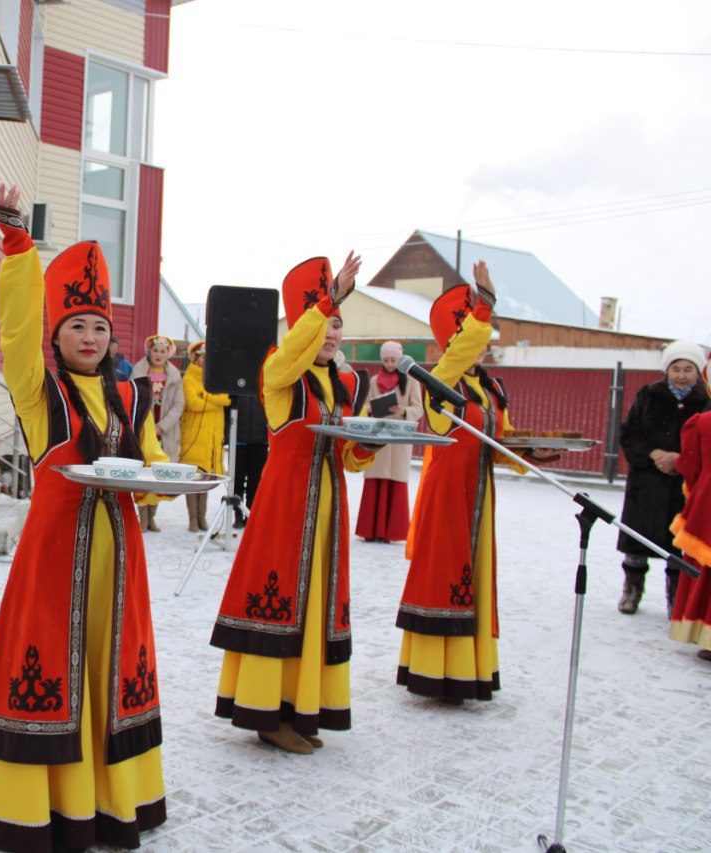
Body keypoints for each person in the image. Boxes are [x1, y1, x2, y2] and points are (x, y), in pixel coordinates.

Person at [0, 184, 168, 851]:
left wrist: (170, 479)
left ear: (112, 337)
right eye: (76, 325)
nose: (88, 335)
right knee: (54, 664)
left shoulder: (131, 395)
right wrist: (18, 243)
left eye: (99, 326)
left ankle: (112, 803)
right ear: (58, 334)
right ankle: (43, 808)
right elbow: (15, 330)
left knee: (112, 667)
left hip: (119, 556)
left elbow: (155, 461)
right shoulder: (38, 389)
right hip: (55, 555)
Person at [211, 253, 377, 755]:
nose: (330, 334)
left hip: (328, 506)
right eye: (323, 324)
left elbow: (348, 455)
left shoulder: (344, 384)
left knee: (316, 601)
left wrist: (371, 443)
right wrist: (328, 300)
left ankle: (303, 708)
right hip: (286, 506)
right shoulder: (279, 374)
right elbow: (292, 352)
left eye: (338, 326)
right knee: (279, 596)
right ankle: (266, 713)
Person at [395, 266, 555, 705]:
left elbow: (500, 443)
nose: (483, 347)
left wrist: (533, 454)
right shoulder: (440, 382)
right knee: (446, 575)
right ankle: (434, 673)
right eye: (475, 338)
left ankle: (470, 670)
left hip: (480, 496)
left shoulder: (489, 390)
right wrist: (483, 304)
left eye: (486, 339)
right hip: (448, 496)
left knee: (475, 576)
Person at [616, 340, 708, 615]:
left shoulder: (705, 401)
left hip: (684, 486)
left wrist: (680, 459)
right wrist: (654, 453)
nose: (681, 374)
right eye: (676, 368)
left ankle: (675, 600)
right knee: (637, 542)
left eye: (688, 369)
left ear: (698, 371)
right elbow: (629, 432)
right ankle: (632, 591)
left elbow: (705, 440)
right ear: (667, 370)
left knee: (678, 547)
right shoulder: (649, 394)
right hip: (645, 481)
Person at [354, 340, 423, 543]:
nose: (390, 364)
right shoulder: (375, 381)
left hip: (400, 439)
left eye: (393, 360)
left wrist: (404, 411)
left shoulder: (411, 381)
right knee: (376, 479)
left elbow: (418, 409)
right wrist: (370, 409)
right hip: (379, 438)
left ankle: (392, 532)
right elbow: (365, 405)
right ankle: (371, 530)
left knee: (396, 481)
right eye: (386, 360)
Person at [668, 404, 711, 660]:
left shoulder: (703, 423)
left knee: (707, 573)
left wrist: (697, 491)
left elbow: (690, 466)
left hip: (708, 504)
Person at [178, 341, 232, 532]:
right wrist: (215, 400)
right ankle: (193, 518)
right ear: (196, 358)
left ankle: (202, 518)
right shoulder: (188, 380)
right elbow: (193, 404)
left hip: (213, 437)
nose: (206, 360)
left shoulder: (216, 379)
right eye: (202, 357)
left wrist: (206, 396)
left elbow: (226, 399)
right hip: (195, 435)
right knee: (193, 477)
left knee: (206, 478)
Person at [131, 333, 183, 532]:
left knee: (160, 474)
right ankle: (142, 517)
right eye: (155, 350)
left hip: (166, 432)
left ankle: (152, 516)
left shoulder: (175, 375)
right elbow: (133, 398)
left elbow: (179, 405)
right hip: (144, 430)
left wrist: (162, 426)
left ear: (168, 354)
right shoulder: (138, 371)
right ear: (149, 352)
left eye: (163, 351)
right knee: (144, 474)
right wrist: (149, 427)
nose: (159, 355)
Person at [230, 391, 268, 529]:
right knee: (237, 480)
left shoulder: (264, 381)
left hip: (260, 441)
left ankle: (251, 514)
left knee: (256, 481)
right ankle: (238, 515)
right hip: (238, 439)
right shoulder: (238, 379)